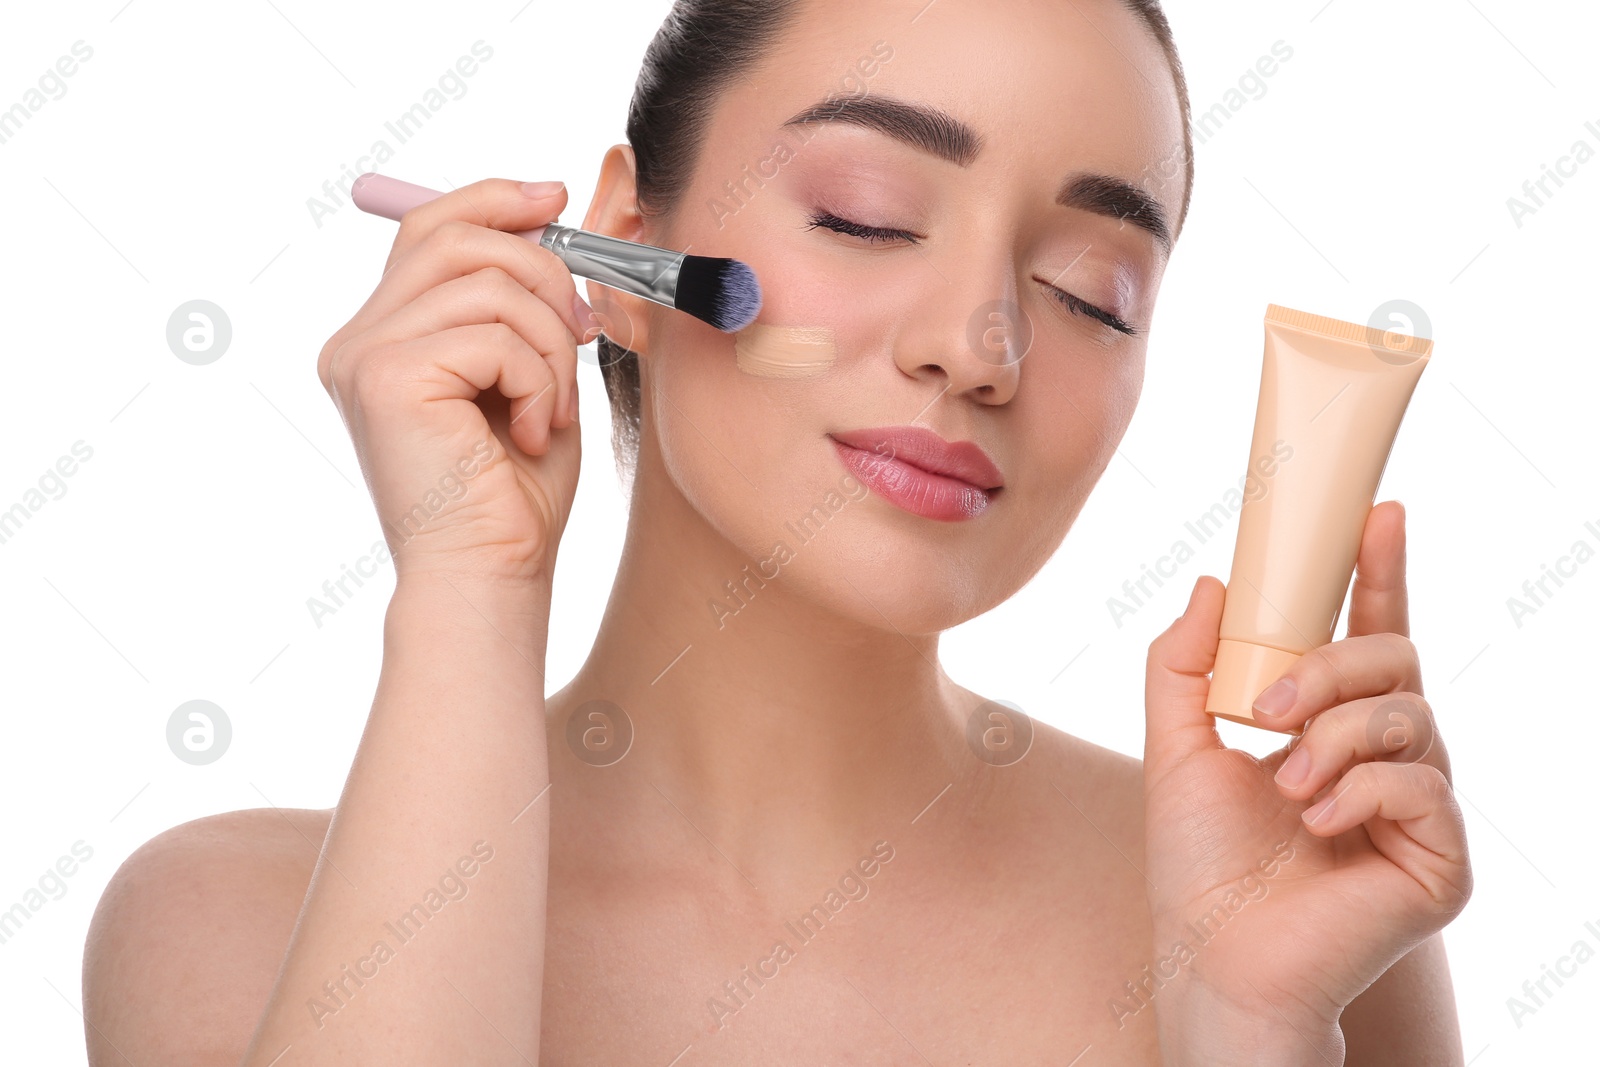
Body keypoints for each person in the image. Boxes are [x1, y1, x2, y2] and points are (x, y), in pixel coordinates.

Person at [83, 0, 1472, 1063]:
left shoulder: (1295, 914)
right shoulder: (228, 925)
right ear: (630, 246)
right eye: (865, 217)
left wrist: (1240, 1027)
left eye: (1092, 291)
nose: (979, 345)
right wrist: (468, 589)